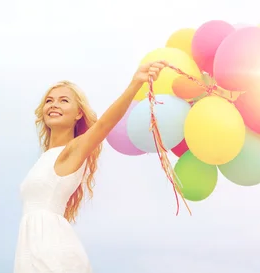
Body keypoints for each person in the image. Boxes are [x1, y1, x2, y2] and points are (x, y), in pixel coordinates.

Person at [13, 60, 169, 272]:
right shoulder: (45, 159)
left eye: (63, 100)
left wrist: (135, 84)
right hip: (32, 249)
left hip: (50, 252)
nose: (54, 105)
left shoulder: (73, 150)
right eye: (49, 100)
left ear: (78, 113)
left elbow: (104, 124)